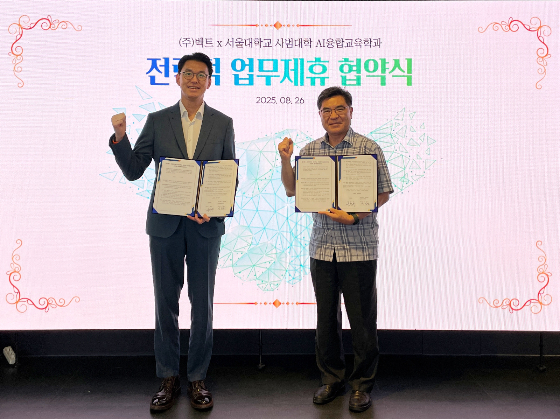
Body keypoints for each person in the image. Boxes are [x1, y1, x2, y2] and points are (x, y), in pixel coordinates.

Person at [109, 52, 235, 412]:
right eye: (188, 73)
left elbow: (228, 175)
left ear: (209, 81)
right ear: (177, 78)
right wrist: (121, 137)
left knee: (202, 304)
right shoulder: (158, 120)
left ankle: (197, 378)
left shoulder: (223, 123)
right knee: (165, 301)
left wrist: (215, 210)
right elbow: (134, 170)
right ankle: (167, 377)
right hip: (165, 224)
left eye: (201, 74)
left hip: (205, 226)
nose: (194, 79)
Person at [278, 86, 393, 413]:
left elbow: (383, 193)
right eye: (327, 111)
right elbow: (292, 189)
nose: (333, 115)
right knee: (325, 320)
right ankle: (331, 379)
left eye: (340, 109)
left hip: (359, 248)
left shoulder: (368, 148)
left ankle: (361, 385)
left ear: (351, 111)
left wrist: (353, 216)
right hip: (322, 248)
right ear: (320, 115)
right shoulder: (311, 150)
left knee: (362, 321)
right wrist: (285, 160)